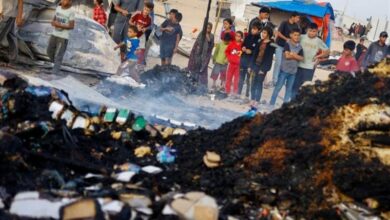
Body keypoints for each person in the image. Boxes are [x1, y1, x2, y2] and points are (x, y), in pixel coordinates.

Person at [291, 23, 329, 100]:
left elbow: (327, 51)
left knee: (306, 87)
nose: (312, 33)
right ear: (307, 30)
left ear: (317, 31)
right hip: (298, 65)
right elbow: (292, 43)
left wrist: (318, 57)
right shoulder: (301, 37)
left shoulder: (318, 41)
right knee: (294, 86)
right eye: (310, 31)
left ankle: (300, 103)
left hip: (309, 68)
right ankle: (292, 102)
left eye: (314, 31)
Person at [270, 28, 303, 105]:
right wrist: (296, 56)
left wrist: (293, 54)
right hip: (284, 71)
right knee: (278, 88)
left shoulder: (300, 47)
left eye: (298, 35)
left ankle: (284, 106)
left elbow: (302, 58)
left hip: (293, 72)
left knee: (288, 90)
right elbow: (287, 56)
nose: (296, 37)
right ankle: (271, 103)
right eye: (295, 35)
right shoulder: (287, 44)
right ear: (291, 35)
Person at [272, 13, 301, 86]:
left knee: (284, 64)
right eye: (297, 18)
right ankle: (274, 80)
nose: (298, 19)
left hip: (288, 47)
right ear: (292, 17)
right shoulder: (284, 23)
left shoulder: (296, 25)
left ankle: (280, 80)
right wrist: (286, 39)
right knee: (278, 63)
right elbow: (278, 33)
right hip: (279, 45)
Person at [46, 0, 75, 74]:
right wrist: (53, 22)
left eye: (66, 0)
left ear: (69, 1)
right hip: (54, 34)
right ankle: (54, 64)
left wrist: (60, 25)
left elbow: (72, 26)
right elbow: (54, 19)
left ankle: (54, 73)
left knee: (59, 55)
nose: (63, 1)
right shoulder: (58, 8)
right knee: (49, 51)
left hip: (63, 37)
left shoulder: (71, 11)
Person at [250, 26, 275, 106]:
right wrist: (251, 65)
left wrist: (263, 69)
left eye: (264, 33)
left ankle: (257, 100)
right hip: (255, 65)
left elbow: (269, 58)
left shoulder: (271, 44)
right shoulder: (260, 41)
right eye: (262, 32)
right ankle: (252, 99)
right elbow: (254, 54)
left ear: (268, 34)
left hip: (263, 67)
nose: (262, 34)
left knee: (259, 83)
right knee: (253, 82)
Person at [187, 22, 214, 91]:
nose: (207, 29)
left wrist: (208, 38)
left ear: (211, 29)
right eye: (206, 27)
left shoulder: (211, 36)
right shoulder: (201, 33)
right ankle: (192, 82)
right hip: (197, 54)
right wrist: (193, 53)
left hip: (205, 56)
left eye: (209, 28)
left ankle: (202, 86)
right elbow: (196, 43)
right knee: (194, 68)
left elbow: (211, 46)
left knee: (202, 70)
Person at [238, 22, 261, 99]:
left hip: (251, 62)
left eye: (255, 29)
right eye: (252, 28)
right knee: (241, 77)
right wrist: (243, 48)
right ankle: (238, 93)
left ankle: (247, 95)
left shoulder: (259, 40)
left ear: (258, 30)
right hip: (243, 59)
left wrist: (251, 52)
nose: (252, 30)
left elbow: (257, 52)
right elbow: (243, 44)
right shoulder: (247, 36)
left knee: (248, 79)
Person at [0, 0, 24, 67]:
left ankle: (13, 60)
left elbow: (20, 1)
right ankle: (13, 61)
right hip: (8, 14)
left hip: (6, 14)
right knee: (12, 36)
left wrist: (19, 16)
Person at [225, 31, 243, 96]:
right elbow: (227, 51)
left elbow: (243, 55)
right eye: (236, 36)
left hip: (238, 65)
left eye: (239, 36)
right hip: (231, 64)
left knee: (236, 79)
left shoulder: (242, 45)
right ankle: (227, 90)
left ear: (241, 37)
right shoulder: (231, 44)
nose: (237, 37)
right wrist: (229, 58)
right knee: (228, 77)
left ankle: (235, 91)